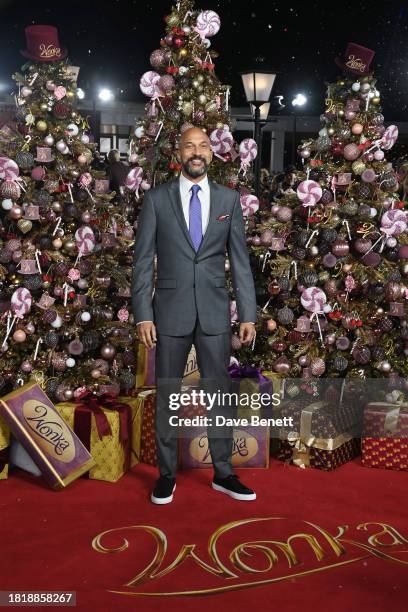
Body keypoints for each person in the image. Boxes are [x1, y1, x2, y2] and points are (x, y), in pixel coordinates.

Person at [132, 127, 257, 505]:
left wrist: (247, 314)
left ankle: (224, 473)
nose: (197, 151)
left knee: (219, 394)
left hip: (216, 313)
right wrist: (143, 315)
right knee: (168, 395)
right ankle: (166, 475)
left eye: (203, 145)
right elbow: (141, 263)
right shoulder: (156, 199)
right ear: (179, 152)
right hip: (168, 314)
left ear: (212, 153)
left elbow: (240, 262)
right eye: (190, 145)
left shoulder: (229, 199)